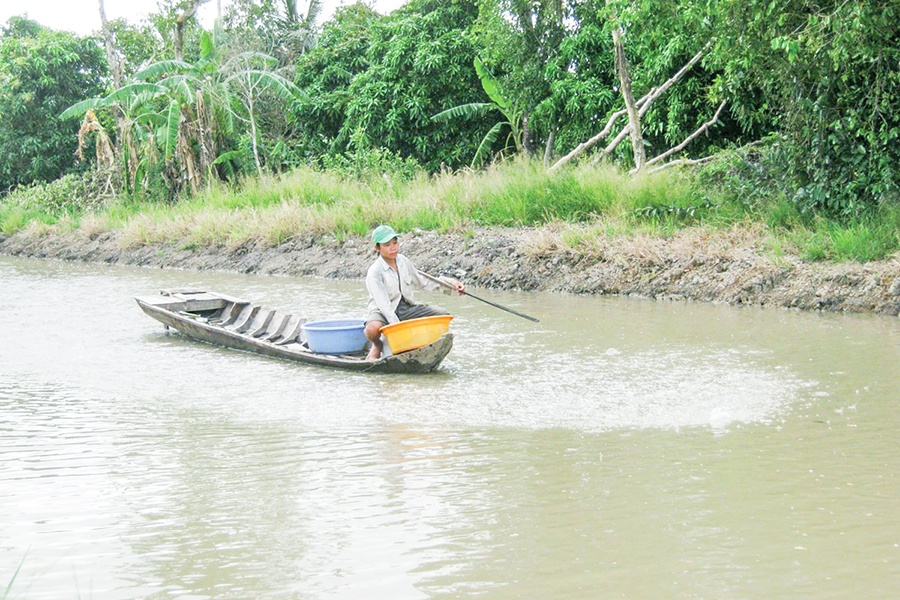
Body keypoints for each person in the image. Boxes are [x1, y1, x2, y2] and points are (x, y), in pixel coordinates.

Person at [364, 225, 464, 360]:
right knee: (372, 329)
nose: (393, 248)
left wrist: (451, 284)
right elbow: (384, 306)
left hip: (406, 307)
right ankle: (377, 345)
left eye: (395, 243)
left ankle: (422, 347)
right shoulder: (375, 271)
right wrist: (398, 329)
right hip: (382, 311)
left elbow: (423, 281)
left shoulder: (403, 261)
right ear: (377, 248)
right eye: (387, 245)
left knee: (443, 314)